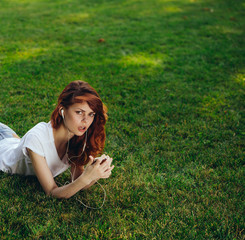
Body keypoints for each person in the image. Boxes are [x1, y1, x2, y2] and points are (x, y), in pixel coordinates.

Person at [0, 80, 114, 199]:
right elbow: (51, 192)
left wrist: (95, 173)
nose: (86, 120)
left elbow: (76, 180)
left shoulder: (78, 136)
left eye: (91, 114)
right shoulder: (37, 138)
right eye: (79, 112)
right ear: (62, 110)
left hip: (11, 140)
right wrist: (86, 178)